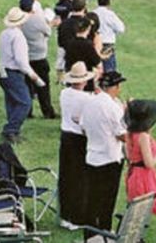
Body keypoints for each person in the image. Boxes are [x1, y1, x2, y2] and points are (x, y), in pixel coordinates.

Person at [80, 71, 127, 233]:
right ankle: (105, 231)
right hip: (110, 158)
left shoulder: (89, 102)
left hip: (92, 156)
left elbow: (83, 128)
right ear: (114, 87)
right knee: (107, 200)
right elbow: (122, 135)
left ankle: (90, 233)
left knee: (92, 198)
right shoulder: (113, 107)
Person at [0, 7, 44, 142]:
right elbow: (21, 60)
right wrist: (33, 75)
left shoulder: (4, 33)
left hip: (3, 71)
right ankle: (11, 129)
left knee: (12, 102)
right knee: (25, 103)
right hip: (13, 72)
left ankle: (12, 131)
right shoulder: (18, 36)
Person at [58, 62, 92, 230]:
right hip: (79, 138)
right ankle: (77, 216)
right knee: (80, 178)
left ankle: (65, 215)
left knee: (66, 176)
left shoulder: (64, 93)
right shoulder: (86, 99)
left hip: (66, 136)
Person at [124, 99, 156, 217]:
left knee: (136, 209)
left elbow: (129, 155)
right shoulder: (143, 136)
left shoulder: (130, 134)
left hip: (133, 173)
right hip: (143, 176)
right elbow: (149, 163)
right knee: (141, 211)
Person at [20, 0, 57, 118]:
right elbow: (48, 32)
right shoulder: (37, 19)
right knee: (43, 85)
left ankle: (27, 111)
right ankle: (47, 111)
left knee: (27, 85)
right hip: (39, 55)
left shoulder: (19, 20)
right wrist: (51, 24)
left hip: (25, 56)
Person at [94, 0, 125, 72]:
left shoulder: (93, 13)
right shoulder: (110, 14)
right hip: (107, 45)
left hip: (94, 44)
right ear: (108, 3)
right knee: (109, 71)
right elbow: (121, 28)